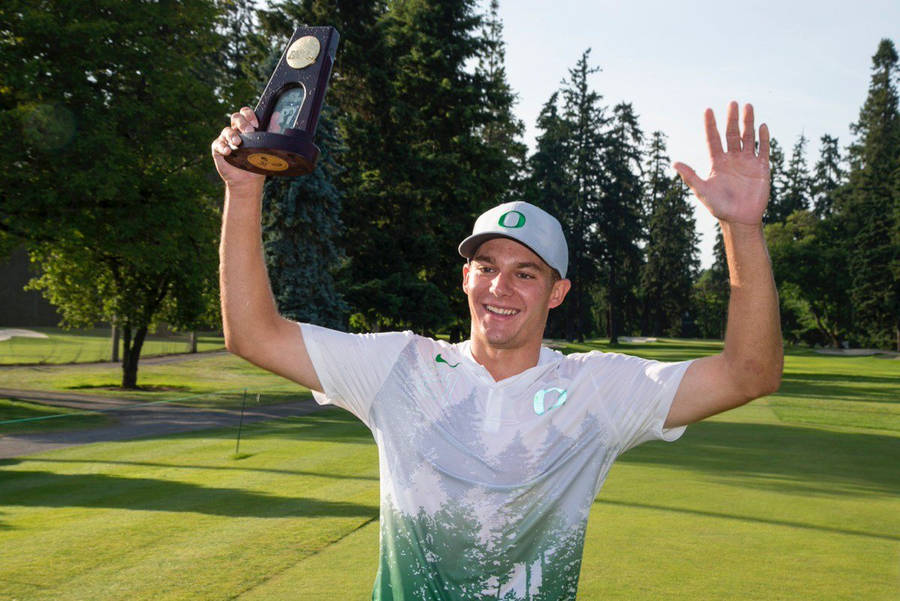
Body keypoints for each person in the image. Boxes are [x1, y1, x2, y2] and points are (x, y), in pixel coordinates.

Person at [211, 101, 782, 600]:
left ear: (557, 293)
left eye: (525, 273)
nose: (500, 287)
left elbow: (749, 374)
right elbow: (254, 335)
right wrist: (243, 189)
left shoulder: (596, 391)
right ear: (466, 278)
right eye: (486, 267)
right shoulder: (398, 367)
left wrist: (741, 229)